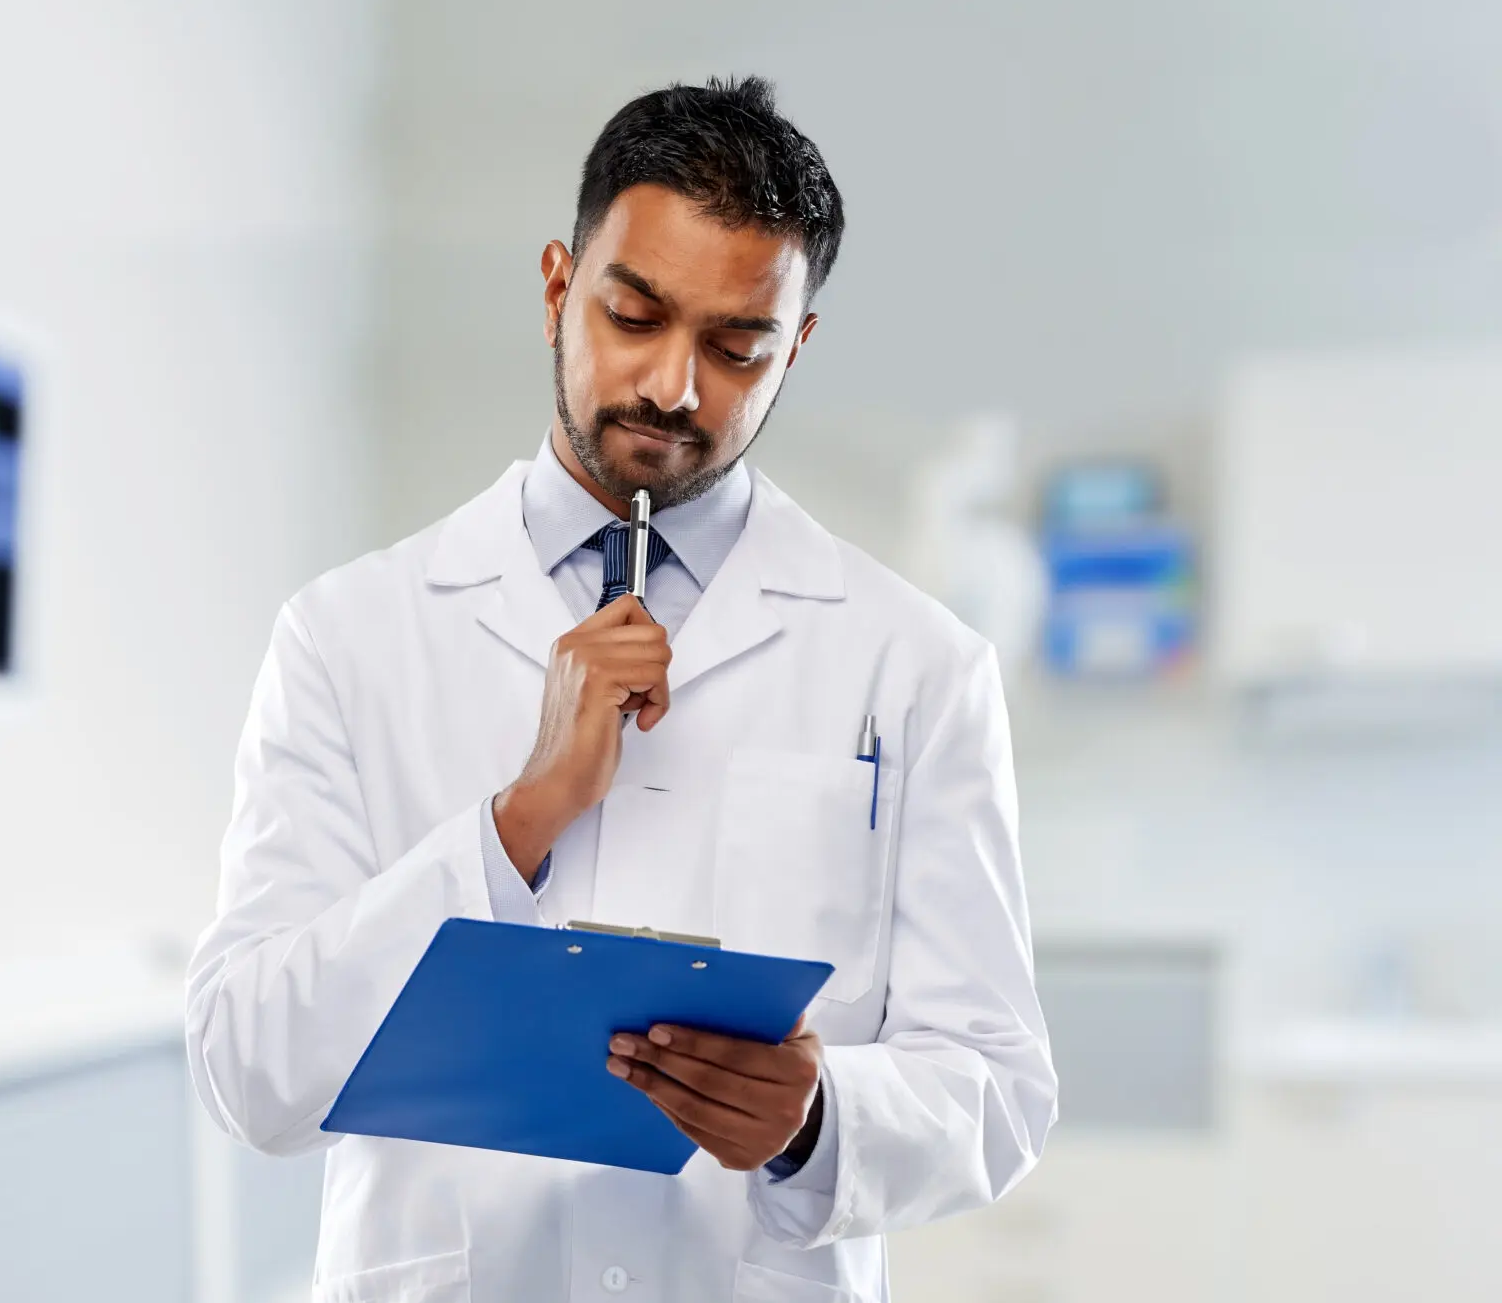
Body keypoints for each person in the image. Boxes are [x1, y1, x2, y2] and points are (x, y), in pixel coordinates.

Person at [187, 76, 1056, 1303]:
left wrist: (814, 1118)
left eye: (735, 347)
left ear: (793, 347)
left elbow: (1000, 1087)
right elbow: (248, 1068)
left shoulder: (913, 662)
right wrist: (520, 819)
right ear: (558, 284)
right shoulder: (348, 636)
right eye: (634, 314)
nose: (674, 388)